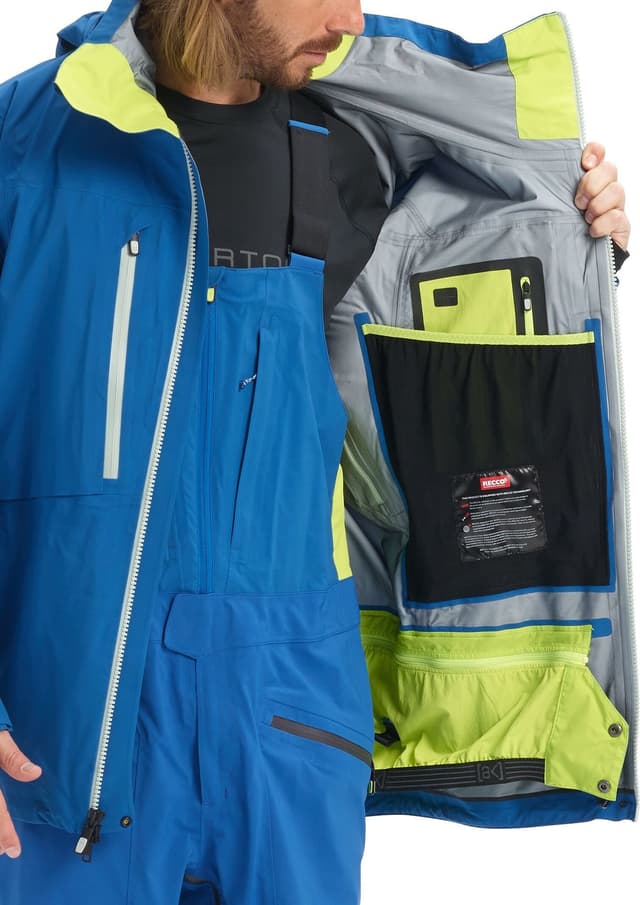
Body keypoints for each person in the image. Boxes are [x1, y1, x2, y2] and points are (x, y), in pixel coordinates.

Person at [0, 1, 632, 902]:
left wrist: (572, 236)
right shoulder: (28, 146)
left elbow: (456, 340)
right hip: (71, 726)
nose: (350, 15)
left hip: (295, 720)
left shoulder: (353, 152)